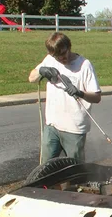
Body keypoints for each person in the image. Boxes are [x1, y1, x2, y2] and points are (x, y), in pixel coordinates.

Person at [28, 32, 101, 164]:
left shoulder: (84, 65)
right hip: (52, 125)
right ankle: (51, 186)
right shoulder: (50, 60)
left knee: (73, 171)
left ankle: (73, 185)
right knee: (46, 169)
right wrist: (41, 71)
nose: (62, 58)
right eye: (57, 56)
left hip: (74, 128)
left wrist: (80, 93)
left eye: (63, 53)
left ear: (69, 47)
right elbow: (31, 78)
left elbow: (96, 97)